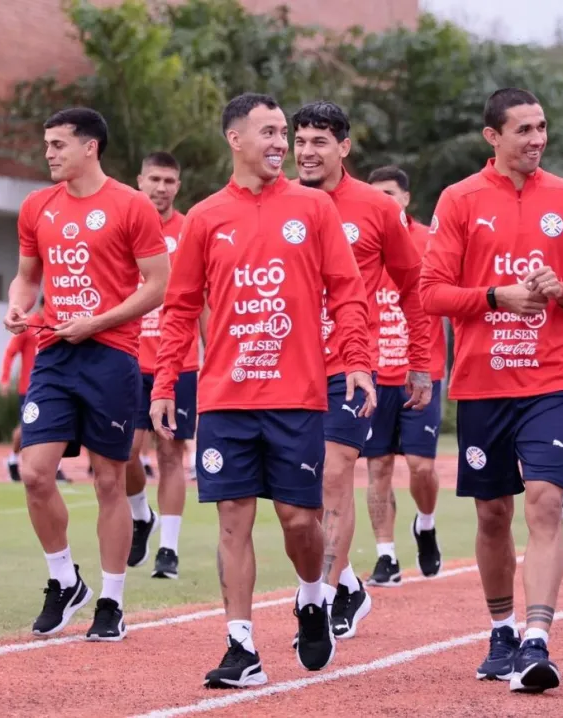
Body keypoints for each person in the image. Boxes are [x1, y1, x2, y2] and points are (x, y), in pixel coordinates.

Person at [150, 93, 375, 686]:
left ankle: (310, 597)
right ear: (235, 139)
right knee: (232, 520)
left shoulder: (314, 209)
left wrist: (357, 360)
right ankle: (240, 646)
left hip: (297, 398)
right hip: (225, 398)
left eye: (285, 133)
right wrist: (165, 382)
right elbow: (179, 309)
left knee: (300, 522)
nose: (283, 144)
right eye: (271, 132)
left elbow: (347, 290)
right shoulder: (204, 217)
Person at [420, 87, 563, 694]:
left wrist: (562, 288)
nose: (537, 139)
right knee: (493, 513)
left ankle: (537, 637)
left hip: (552, 381)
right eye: (523, 129)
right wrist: (495, 296)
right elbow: (432, 293)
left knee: (546, 503)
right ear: (492, 137)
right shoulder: (459, 200)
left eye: (542, 127)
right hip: (482, 384)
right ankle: (501, 628)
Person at [4, 107, 171, 641]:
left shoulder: (131, 205)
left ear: (90, 147)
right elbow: (28, 277)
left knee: (108, 480)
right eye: (47, 144)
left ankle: (111, 601)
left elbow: (156, 285)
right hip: (54, 352)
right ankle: (63, 580)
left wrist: (96, 322)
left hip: (112, 356)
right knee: (35, 471)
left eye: (58, 144)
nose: (49, 153)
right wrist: (17, 306)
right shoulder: (36, 206)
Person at [291, 101, 433, 640]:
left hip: (351, 367)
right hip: (286, 371)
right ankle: (349, 582)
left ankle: (322, 600)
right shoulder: (280, 202)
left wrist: (420, 362)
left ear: (344, 147)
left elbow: (414, 287)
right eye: (300, 140)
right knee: (297, 496)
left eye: (320, 141)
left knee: (334, 474)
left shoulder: (376, 209)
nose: (307, 151)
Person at [362, 164, 446, 586]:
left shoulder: (429, 241)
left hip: (420, 371)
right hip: (373, 372)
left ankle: (426, 524)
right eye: (375, 194)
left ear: (407, 198)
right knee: (377, 466)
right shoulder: (356, 239)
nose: (383, 202)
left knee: (420, 466)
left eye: (390, 194)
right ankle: (386, 554)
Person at [125, 151, 207, 578]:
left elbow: (204, 300)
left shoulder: (191, 228)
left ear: (178, 185)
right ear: (140, 181)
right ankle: (141, 515)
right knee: (124, 454)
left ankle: (169, 550)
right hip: (128, 359)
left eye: (169, 181)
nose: (161, 187)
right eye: (154, 179)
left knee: (172, 452)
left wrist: (213, 356)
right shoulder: (126, 223)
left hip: (180, 364)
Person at [1, 297, 71, 484]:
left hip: (54, 385)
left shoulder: (58, 325)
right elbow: (10, 352)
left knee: (56, 426)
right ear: (42, 306)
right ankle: (13, 460)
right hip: (29, 387)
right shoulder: (29, 326)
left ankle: (55, 468)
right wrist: (5, 379)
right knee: (24, 428)